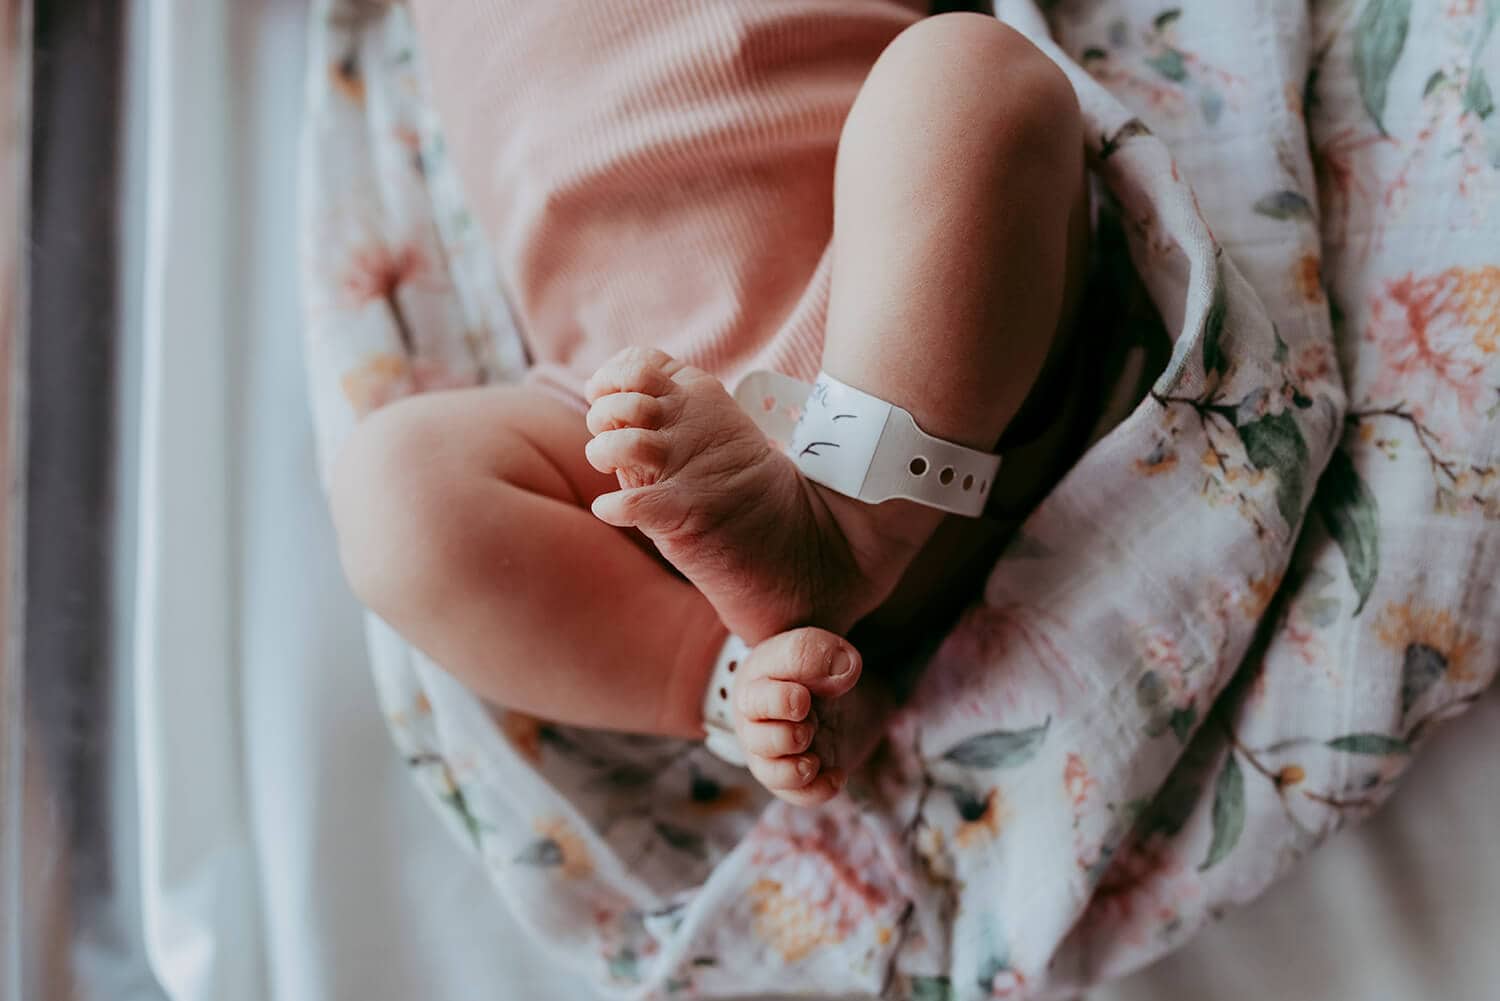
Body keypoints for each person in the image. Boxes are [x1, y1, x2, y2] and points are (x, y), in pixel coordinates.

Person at [329, 1, 1090, 806]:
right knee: (393, 493)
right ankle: (732, 677)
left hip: (918, 342)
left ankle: (851, 527)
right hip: (641, 472)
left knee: (967, 74)